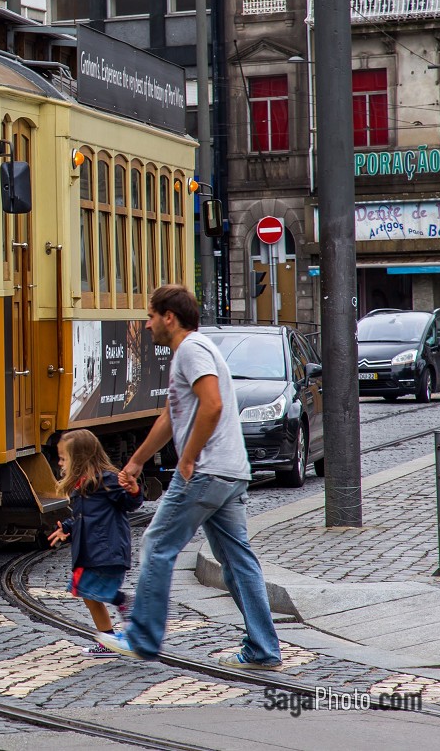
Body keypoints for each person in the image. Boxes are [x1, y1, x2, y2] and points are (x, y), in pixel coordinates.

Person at [96, 284, 282, 670]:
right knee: (237, 563)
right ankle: (263, 649)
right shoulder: (197, 350)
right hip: (230, 472)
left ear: (169, 317)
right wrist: (134, 463)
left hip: (206, 470)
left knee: (157, 542)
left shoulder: (191, 350)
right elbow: (170, 418)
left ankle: (143, 637)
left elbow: (211, 405)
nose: (146, 326)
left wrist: (190, 456)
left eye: (150, 316)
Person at [47, 429, 143, 657]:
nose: (60, 463)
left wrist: (134, 489)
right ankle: (107, 641)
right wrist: (67, 528)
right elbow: (86, 517)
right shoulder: (84, 485)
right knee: (89, 596)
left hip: (106, 550)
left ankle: (125, 601)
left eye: (63, 458)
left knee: (86, 589)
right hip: (94, 550)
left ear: (79, 458)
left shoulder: (107, 480)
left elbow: (130, 502)